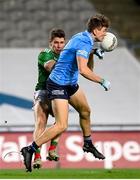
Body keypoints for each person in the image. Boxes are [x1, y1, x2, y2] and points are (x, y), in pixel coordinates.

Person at [21, 14, 110, 172]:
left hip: (70, 83)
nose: (105, 34)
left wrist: (91, 53)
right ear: (96, 31)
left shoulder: (84, 38)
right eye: (104, 31)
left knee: (85, 111)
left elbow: (89, 68)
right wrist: (102, 81)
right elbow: (84, 71)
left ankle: (88, 143)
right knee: (61, 125)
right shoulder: (84, 42)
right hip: (58, 83)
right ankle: (30, 149)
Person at [32, 29, 66, 169]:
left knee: (62, 122)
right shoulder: (45, 54)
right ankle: (37, 157)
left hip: (58, 92)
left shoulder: (65, 55)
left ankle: (52, 149)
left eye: (62, 43)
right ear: (50, 43)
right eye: (56, 43)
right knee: (41, 123)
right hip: (43, 92)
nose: (59, 45)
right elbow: (50, 67)